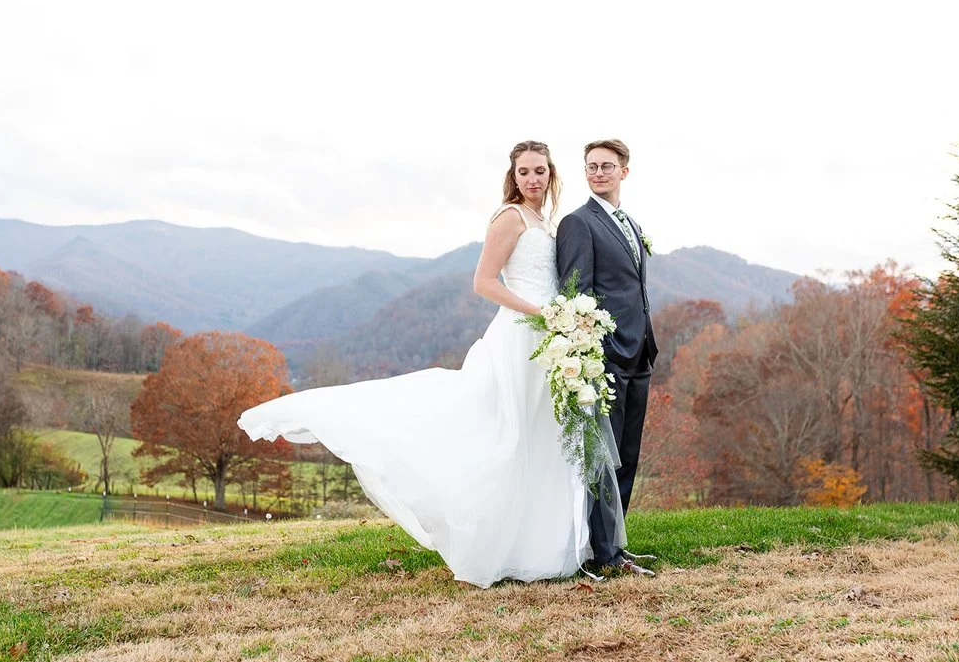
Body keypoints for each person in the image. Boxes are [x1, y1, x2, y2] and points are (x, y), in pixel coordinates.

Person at [238, 140, 613, 588]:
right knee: (507, 437)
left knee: (540, 438)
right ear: (512, 177)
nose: (532, 179)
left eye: (539, 171)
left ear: (551, 174)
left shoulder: (545, 221)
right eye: (524, 172)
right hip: (518, 338)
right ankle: (492, 541)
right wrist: (539, 313)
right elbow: (484, 283)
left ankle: (544, 546)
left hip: (549, 342)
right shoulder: (508, 219)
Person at [556, 138, 660, 578]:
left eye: (606, 166)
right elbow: (574, 291)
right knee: (603, 455)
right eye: (591, 167)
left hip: (641, 351)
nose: (598, 173)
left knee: (629, 454)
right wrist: (593, 350)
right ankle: (601, 552)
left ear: (624, 171)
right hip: (606, 356)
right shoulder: (578, 223)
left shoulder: (629, 222)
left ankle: (617, 544)